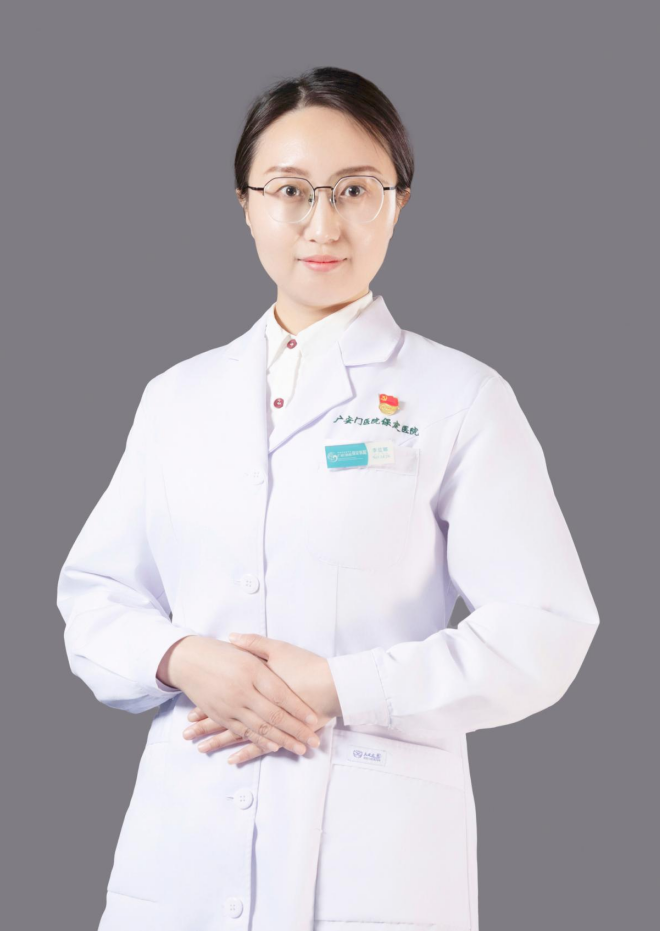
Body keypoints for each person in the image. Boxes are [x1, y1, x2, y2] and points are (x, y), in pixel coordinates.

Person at [57, 66, 600, 931]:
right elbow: (95, 597)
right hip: (184, 847)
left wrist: (343, 685)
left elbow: (544, 625)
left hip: (373, 858)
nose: (323, 223)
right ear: (245, 204)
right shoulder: (177, 397)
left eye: (355, 189)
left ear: (398, 203)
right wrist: (180, 658)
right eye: (290, 190)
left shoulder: (460, 397)